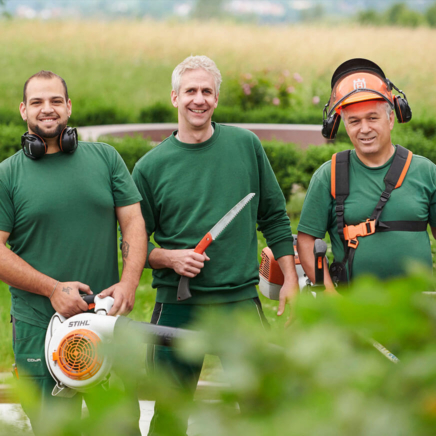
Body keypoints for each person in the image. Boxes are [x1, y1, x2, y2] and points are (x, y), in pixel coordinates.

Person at [132, 55, 299, 436]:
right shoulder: (150, 167)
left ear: (217, 99)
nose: (199, 99)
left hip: (239, 303)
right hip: (177, 306)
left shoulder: (245, 145)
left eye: (207, 91)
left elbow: (273, 216)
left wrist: (289, 278)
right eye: (190, 90)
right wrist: (168, 258)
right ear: (174, 97)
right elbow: (132, 245)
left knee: (263, 409)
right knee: (170, 418)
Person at [0, 70, 147, 435]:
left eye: (54, 101)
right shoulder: (7, 175)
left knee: (120, 427)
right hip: (38, 328)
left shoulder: (106, 158)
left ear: (69, 106)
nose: (46, 109)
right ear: (24, 110)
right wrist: (52, 289)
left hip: (104, 322)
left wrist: (128, 283)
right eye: (37, 102)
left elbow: (133, 223)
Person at [297, 58, 436, 288]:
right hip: (353, 310)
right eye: (354, 121)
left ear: (391, 119)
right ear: (343, 125)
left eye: (373, 118)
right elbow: (306, 242)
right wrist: (333, 301)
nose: (364, 129)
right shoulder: (329, 174)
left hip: (416, 312)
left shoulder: (426, 172)